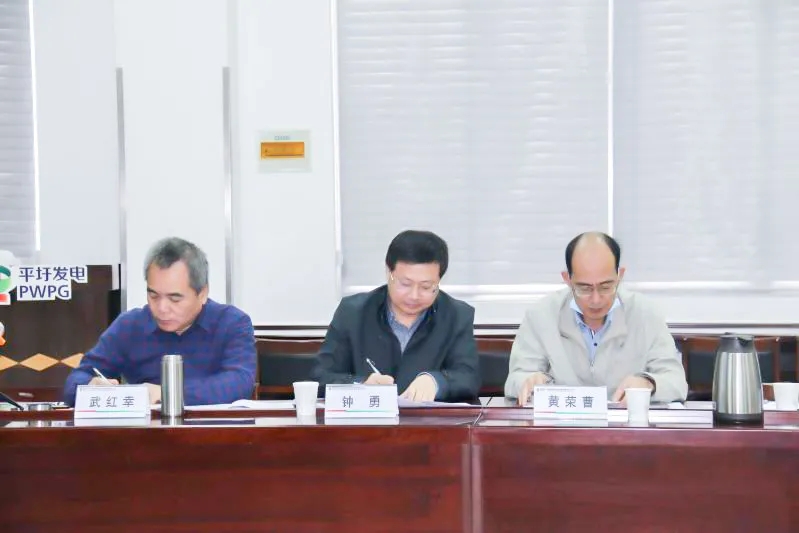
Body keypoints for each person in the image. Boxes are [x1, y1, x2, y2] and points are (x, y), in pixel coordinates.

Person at [64, 237, 256, 406]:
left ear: (202, 293)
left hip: (214, 433)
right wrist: (90, 386)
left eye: (175, 298)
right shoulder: (130, 326)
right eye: (153, 295)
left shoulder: (231, 323)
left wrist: (167, 394)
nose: (162, 308)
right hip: (148, 433)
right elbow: (75, 381)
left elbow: (239, 383)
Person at [505, 232, 688, 405]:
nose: (596, 299)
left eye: (606, 287)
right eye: (584, 288)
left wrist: (649, 383)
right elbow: (514, 380)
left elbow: (676, 382)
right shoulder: (541, 315)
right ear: (567, 279)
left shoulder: (646, 314)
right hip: (561, 425)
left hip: (626, 425)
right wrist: (528, 381)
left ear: (620, 275)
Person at [311, 230, 480, 402]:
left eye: (426, 287)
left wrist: (437, 382)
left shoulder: (457, 316)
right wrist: (361, 384)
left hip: (428, 419)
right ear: (388, 272)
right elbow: (321, 377)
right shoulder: (353, 313)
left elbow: (469, 378)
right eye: (405, 284)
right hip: (367, 418)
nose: (414, 295)